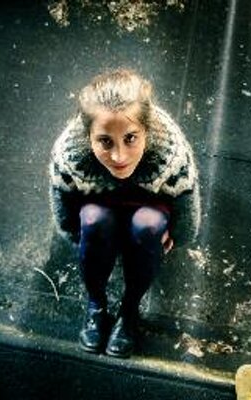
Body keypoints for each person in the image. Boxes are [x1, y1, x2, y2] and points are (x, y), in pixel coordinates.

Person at [49, 68, 201, 358]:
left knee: (148, 224)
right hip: (100, 203)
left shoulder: (170, 151)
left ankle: (129, 310)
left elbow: (186, 200)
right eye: (105, 141)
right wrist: (77, 232)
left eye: (130, 138)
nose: (119, 157)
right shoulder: (69, 154)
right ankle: (96, 304)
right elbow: (63, 204)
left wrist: (177, 234)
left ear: (146, 130)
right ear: (89, 136)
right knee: (92, 219)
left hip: (147, 203)